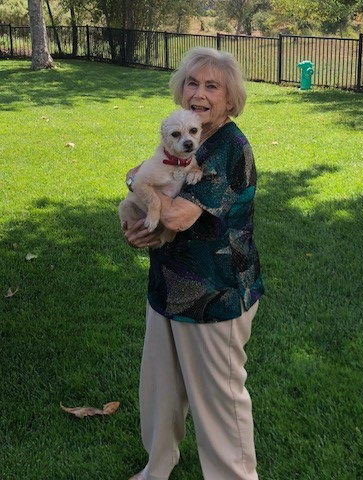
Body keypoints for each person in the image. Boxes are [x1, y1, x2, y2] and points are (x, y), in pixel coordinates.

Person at [122, 47, 265, 480]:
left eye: (211, 86)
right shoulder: (184, 136)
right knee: (161, 388)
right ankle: (157, 467)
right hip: (168, 282)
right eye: (191, 83)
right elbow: (154, 187)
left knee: (218, 402)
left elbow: (179, 215)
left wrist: (134, 181)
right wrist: (136, 220)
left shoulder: (229, 147)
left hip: (214, 292)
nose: (199, 93)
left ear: (229, 99)